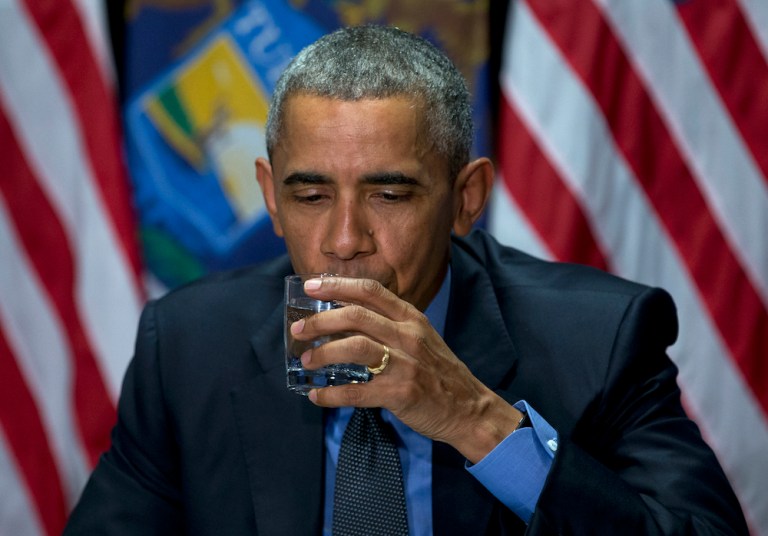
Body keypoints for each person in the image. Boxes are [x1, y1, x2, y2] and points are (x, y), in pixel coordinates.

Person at [64, 25, 748, 535]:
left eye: (389, 195)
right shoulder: (187, 344)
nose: (343, 240)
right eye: (310, 196)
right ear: (269, 197)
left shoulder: (599, 338)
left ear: (467, 198)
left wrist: (476, 420)